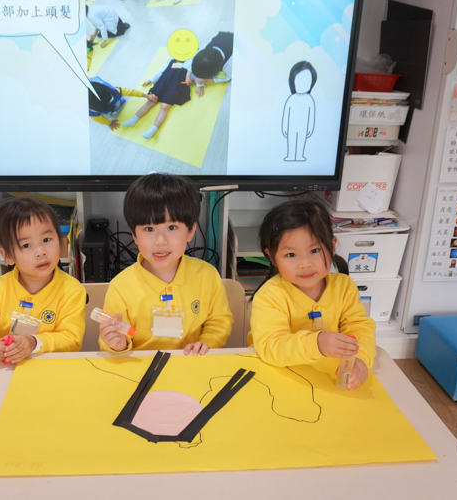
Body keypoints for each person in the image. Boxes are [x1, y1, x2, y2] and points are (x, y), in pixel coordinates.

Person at [99, 173, 233, 355]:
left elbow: (219, 320)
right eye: (149, 229)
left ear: (190, 231)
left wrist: (207, 341)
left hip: (192, 363)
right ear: (135, 236)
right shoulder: (120, 286)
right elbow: (111, 335)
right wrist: (117, 344)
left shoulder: (207, 275)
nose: (160, 241)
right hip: (140, 366)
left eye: (171, 227)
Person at [248, 199, 376, 390]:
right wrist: (317, 344)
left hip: (325, 379)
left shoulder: (344, 287)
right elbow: (271, 346)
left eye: (314, 250)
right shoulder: (270, 296)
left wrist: (361, 359)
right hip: (274, 379)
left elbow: (359, 328)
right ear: (272, 256)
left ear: (332, 246)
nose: (305, 264)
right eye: (291, 255)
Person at [0, 198, 85, 364]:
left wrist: (34, 342)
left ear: (62, 241)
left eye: (46, 240)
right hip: (3, 371)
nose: (41, 252)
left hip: (51, 369)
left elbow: (72, 340)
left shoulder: (72, 290)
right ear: (8, 256)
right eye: (26, 245)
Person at [120, 58, 192, 139]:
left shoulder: (190, 62)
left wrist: (197, 84)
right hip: (162, 83)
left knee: (165, 107)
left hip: (175, 87)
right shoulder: (171, 60)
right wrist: (151, 79)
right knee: (151, 100)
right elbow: (162, 70)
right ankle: (133, 119)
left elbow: (193, 76)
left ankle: (153, 130)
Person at [88, 76, 157, 131]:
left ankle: (133, 120)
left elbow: (131, 92)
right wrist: (109, 123)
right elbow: (98, 119)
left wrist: (147, 96)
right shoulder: (91, 111)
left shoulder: (113, 91)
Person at [281, 61, 317, 162]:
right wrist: (284, 127)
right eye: (299, 80)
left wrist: (310, 128)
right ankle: (290, 155)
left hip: (303, 127)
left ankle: (300, 155)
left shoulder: (309, 100)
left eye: (307, 80)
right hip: (291, 126)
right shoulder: (291, 99)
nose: (303, 84)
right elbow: (286, 115)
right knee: (291, 140)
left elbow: (311, 116)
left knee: (301, 140)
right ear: (293, 80)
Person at [183, 31, 233, 98]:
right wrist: (188, 75)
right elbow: (193, 60)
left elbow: (228, 77)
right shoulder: (204, 50)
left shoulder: (229, 64)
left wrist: (206, 81)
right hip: (222, 38)